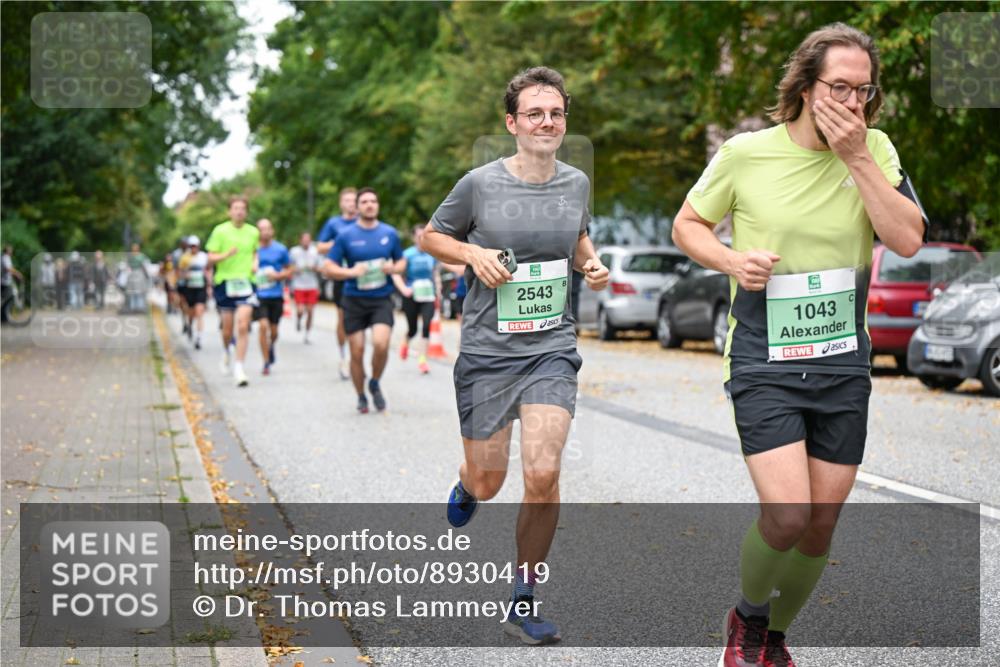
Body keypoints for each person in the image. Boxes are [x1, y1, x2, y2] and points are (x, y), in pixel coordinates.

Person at [671, 24, 926, 667]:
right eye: (838, 87)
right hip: (764, 357)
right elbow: (687, 224)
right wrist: (731, 261)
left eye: (862, 91)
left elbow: (907, 239)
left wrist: (859, 157)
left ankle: (774, 637)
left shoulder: (878, 150)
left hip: (842, 361)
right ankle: (747, 619)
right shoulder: (746, 153)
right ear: (806, 88)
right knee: (788, 514)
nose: (850, 103)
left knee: (820, 525)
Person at [421, 66, 609, 645]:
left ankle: (523, 596)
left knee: (545, 472)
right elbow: (430, 236)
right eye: (535, 113)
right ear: (513, 123)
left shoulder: (576, 182)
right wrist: (471, 256)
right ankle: (467, 485)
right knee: (490, 477)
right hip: (487, 351)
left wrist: (590, 263)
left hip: (551, 346)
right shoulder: (479, 183)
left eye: (555, 113)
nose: (546, 122)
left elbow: (577, 237)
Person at [322, 187, 404, 413]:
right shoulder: (346, 235)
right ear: (357, 207)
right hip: (354, 300)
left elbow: (401, 262)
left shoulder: (390, 233)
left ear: (377, 206)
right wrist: (350, 273)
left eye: (373, 201)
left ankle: (375, 381)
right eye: (365, 202)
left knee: (381, 343)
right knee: (356, 351)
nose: (369, 205)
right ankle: (360, 396)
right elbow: (328, 267)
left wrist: (392, 268)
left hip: (381, 298)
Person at [205, 196, 260, 387]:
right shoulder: (220, 231)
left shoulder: (253, 232)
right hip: (225, 282)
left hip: (246, 282)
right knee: (227, 329)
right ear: (229, 211)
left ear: (247, 211)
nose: (239, 212)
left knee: (243, 325)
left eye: (243, 208)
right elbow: (210, 258)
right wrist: (226, 255)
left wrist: (255, 263)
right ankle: (227, 349)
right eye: (235, 208)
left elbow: (255, 252)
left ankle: (239, 368)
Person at [316, 187, 359, 380]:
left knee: (361, 319)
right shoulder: (334, 224)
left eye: (353, 200)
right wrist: (341, 244)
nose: (351, 203)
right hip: (341, 276)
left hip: (362, 276)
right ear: (342, 203)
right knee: (343, 317)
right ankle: (344, 357)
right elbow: (320, 247)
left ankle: (356, 355)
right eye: (347, 200)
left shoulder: (364, 222)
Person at [392, 226, 439, 374]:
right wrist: (404, 289)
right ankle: (406, 342)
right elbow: (396, 273)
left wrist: (438, 291)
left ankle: (422, 360)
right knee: (413, 329)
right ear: (414, 238)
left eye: (424, 236)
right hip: (411, 295)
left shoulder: (432, 254)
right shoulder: (407, 255)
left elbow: (435, 274)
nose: (421, 239)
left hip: (428, 295)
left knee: (426, 326)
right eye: (418, 236)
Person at [253, 219, 292, 375]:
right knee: (263, 327)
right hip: (259, 295)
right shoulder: (253, 249)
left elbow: (289, 270)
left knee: (274, 331)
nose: (265, 232)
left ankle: (271, 346)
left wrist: (278, 276)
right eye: (261, 229)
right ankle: (266, 362)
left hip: (276, 295)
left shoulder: (281, 249)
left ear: (272, 231)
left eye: (268, 229)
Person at [289, 231, 322, 343]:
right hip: (299, 285)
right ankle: (298, 319)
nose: (306, 242)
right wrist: (296, 269)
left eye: (308, 240)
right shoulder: (294, 252)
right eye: (304, 240)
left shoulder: (315, 252)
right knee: (300, 310)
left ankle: (307, 335)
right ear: (300, 241)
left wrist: (314, 268)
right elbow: (289, 267)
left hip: (312, 285)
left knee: (310, 311)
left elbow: (321, 268)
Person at [179, 236, 210, 349]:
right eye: (191, 246)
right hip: (189, 288)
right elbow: (180, 273)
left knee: (199, 312)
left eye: (195, 246)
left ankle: (199, 338)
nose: (194, 248)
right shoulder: (185, 258)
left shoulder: (203, 257)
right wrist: (185, 275)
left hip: (201, 287)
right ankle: (190, 325)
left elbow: (208, 270)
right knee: (191, 312)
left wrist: (209, 285)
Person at [0, 245, 24, 322]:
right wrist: (17, 274)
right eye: (10, 250)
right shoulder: (5, 257)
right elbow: (8, 268)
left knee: (6, 299)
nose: (12, 251)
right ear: (7, 250)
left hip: (6, 281)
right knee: (8, 299)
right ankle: (4, 317)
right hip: (5, 282)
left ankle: (4, 317)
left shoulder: (5, 257)